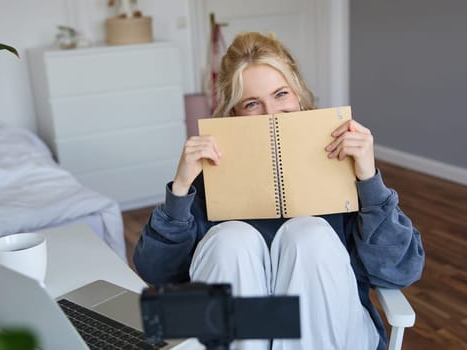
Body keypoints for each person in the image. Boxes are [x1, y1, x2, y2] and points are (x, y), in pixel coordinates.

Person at [133, 32, 424, 350]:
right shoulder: (211, 170)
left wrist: (368, 179)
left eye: (281, 94)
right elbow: (156, 273)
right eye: (252, 103)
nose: (271, 113)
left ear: (298, 94)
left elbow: (401, 270)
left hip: (329, 327)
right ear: (234, 113)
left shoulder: (344, 161)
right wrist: (180, 188)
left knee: (309, 233)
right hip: (244, 331)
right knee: (231, 238)